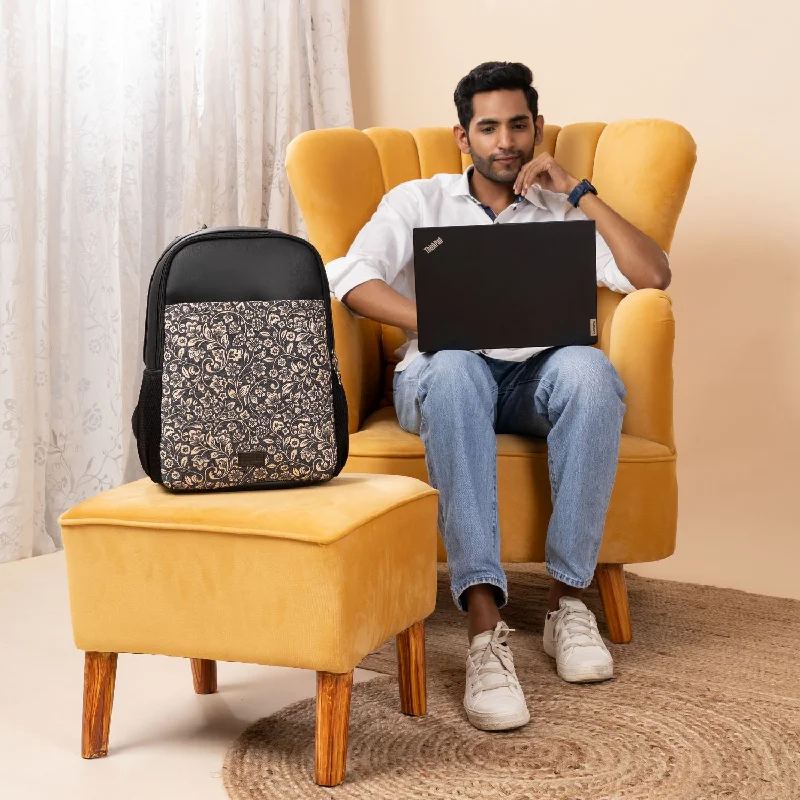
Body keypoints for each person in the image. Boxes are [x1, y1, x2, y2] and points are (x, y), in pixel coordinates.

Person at [326, 61, 671, 732]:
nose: (505, 141)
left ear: (537, 129)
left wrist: (580, 191)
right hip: (444, 374)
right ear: (464, 136)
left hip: (529, 379)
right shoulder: (417, 201)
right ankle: (485, 625)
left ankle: (568, 604)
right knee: (454, 366)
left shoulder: (561, 212)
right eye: (489, 127)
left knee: (590, 372)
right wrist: (436, 321)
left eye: (519, 124)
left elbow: (652, 273)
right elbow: (348, 275)